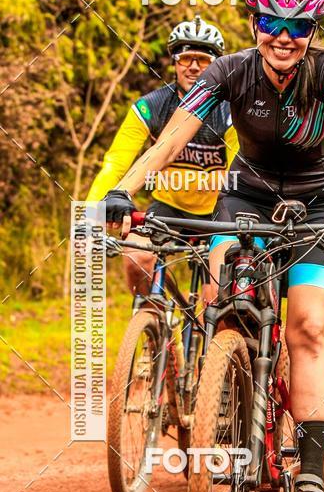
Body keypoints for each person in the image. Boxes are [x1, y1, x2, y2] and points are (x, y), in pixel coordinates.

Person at [102, 0, 324, 492]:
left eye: (298, 26)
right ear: (254, 23)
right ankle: (227, 396)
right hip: (247, 196)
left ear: (313, 30)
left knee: (309, 326)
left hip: (322, 203)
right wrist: (123, 190)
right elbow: (169, 140)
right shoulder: (229, 71)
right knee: (220, 297)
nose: (283, 37)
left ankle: (309, 474)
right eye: (271, 23)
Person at [88, 15, 238, 295]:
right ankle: (152, 319)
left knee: (214, 298)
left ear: (216, 66)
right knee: (137, 257)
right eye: (186, 58)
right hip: (167, 207)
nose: (193, 67)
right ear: (174, 63)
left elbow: (237, 169)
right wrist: (91, 212)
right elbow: (115, 163)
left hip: (215, 211)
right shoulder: (151, 106)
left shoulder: (229, 111)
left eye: (203, 60)